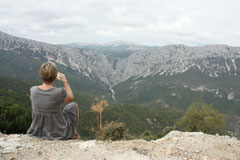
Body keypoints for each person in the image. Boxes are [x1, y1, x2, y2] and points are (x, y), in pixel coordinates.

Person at [26, 62, 80, 140]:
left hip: (37, 130)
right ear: (55, 76)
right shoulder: (58, 92)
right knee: (73, 105)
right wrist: (64, 81)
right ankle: (73, 133)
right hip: (58, 132)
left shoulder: (33, 90)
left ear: (41, 75)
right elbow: (70, 97)